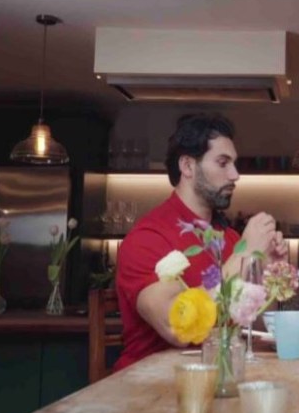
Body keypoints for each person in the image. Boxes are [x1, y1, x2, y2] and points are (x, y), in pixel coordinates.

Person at [113, 114, 284, 371]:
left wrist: (270, 274)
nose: (235, 175)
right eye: (223, 163)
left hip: (220, 378)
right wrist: (245, 253)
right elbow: (176, 326)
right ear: (188, 166)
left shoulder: (230, 238)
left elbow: (252, 327)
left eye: (233, 164)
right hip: (151, 387)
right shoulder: (146, 239)